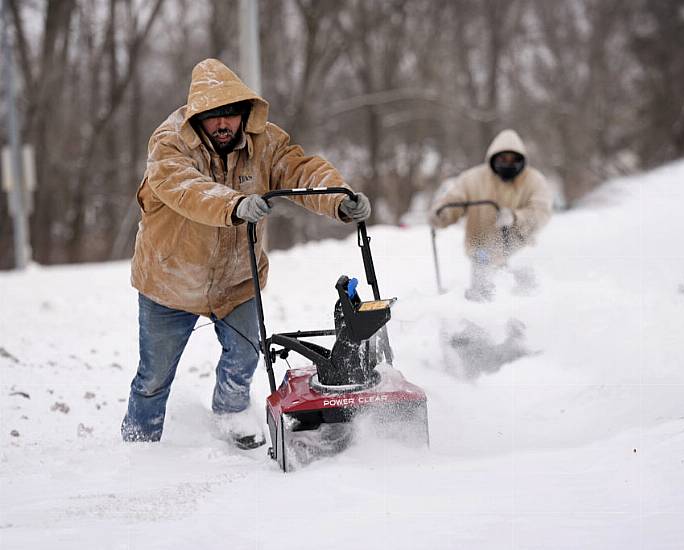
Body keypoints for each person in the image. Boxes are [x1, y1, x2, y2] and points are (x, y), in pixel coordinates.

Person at [122, 58, 370, 449]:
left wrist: (340, 199)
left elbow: (300, 170)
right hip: (170, 280)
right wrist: (234, 205)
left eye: (231, 115)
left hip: (237, 279)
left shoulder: (265, 142)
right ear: (196, 117)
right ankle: (138, 445)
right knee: (153, 377)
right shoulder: (168, 143)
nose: (223, 124)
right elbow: (186, 188)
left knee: (243, 358)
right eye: (213, 117)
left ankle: (231, 415)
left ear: (244, 113)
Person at [429, 129, 553, 301]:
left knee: (521, 304)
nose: (508, 164)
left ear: (521, 160)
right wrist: (442, 214)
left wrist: (515, 217)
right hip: (483, 255)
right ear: (494, 158)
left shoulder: (534, 180)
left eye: (513, 159)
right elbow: (454, 201)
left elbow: (542, 212)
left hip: (519, 254)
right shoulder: (473, 179)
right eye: (503, 159)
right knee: (481, 304)